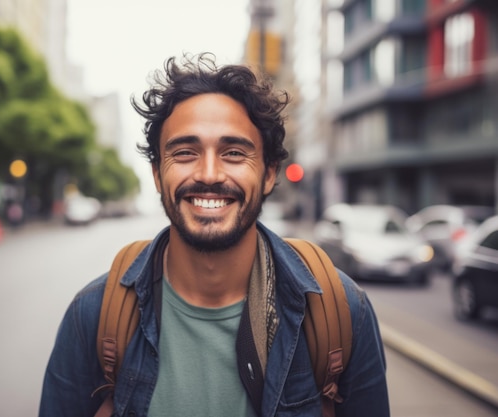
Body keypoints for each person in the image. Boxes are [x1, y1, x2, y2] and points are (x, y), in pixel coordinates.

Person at [38, 53, 390, 417]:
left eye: (234, 153)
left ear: (269, 173)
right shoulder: (92, 315)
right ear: (158, 174)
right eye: (186, 152)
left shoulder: (344, 312)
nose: (209, 173)